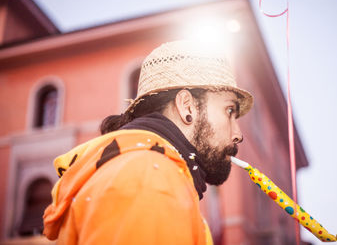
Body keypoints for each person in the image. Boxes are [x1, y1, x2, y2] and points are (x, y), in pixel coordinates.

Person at [43, 40, 253, 244]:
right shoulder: (149, 178)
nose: (238, 134)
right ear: (187, 107)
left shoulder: (145, 173)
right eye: (229, 111)